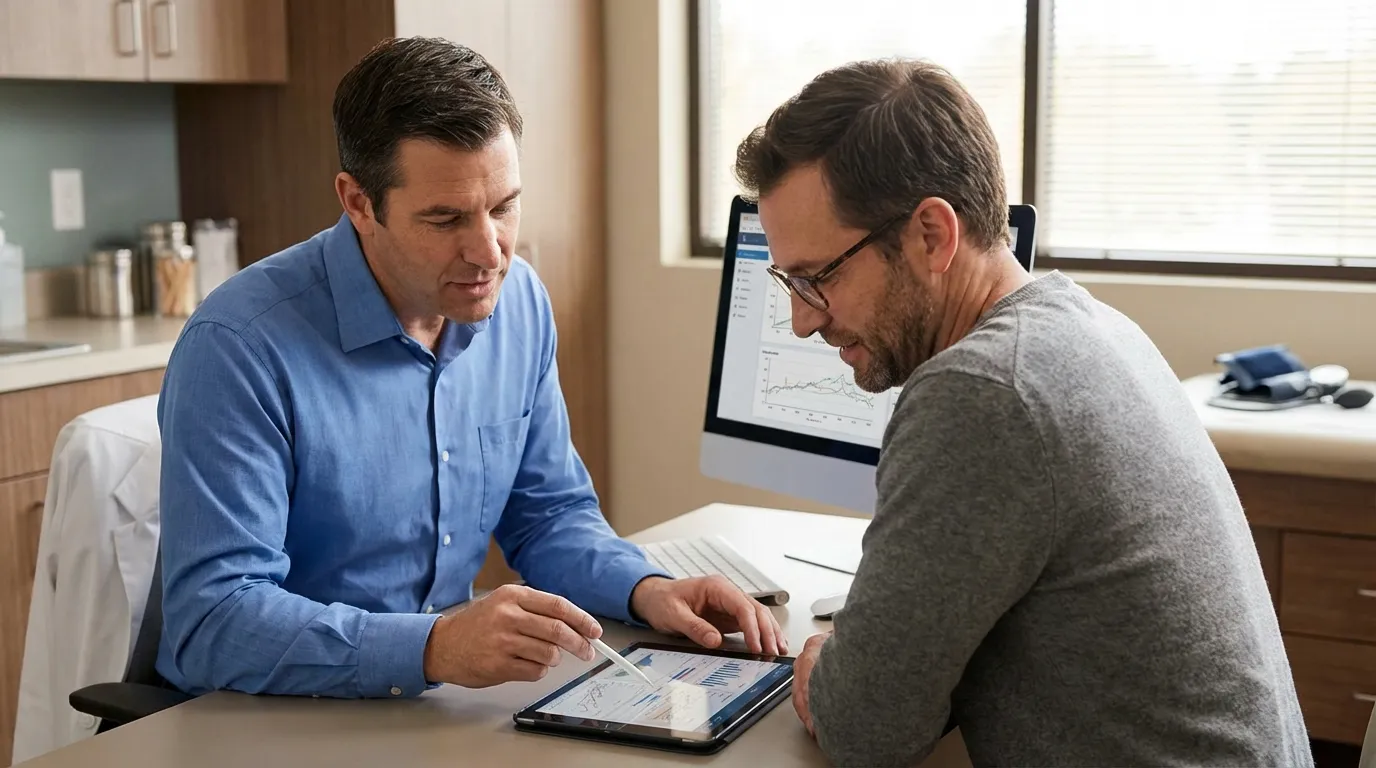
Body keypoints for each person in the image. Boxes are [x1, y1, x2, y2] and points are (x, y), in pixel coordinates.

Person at [154, 37, 784, 699]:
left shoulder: (520, 304)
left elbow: (546, 515)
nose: (490, 252)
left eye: (504, 206)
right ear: (358, 202)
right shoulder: (239, 345)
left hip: (432, 707)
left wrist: (647, 589)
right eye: (445, 218)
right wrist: (432, 647)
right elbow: (213, 621)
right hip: (264, 718)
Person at [735, 58, 1310, 767]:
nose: (799, 321)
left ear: (931, 237)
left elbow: (866, 729)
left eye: (818, 279)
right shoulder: (1091, 326)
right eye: (786, 282)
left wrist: (829, 661)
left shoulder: (983, 393)